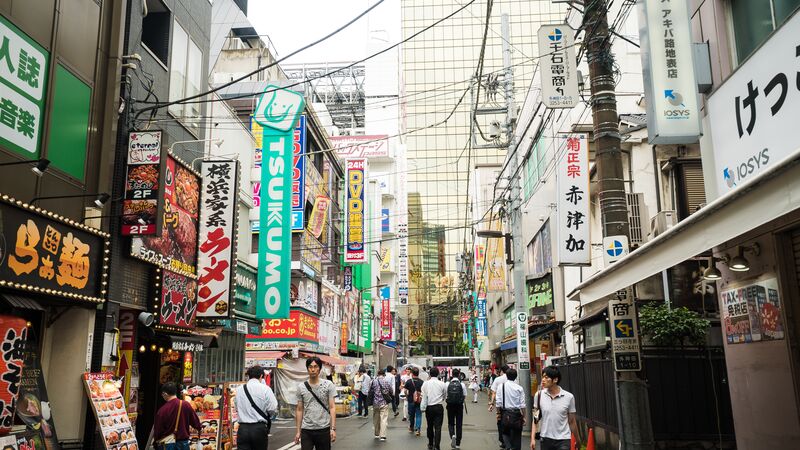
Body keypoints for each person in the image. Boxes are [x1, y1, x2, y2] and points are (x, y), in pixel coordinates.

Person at [531, 366, 580, 450]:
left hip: (563, 439)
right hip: (545, 438)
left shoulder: (569, 397)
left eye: (546, 377)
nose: (543, 380)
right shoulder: (538, 395)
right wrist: (532, 439)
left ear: (555, 380)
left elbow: (572, 421)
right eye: (543, 377)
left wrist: (578, 440)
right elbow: (535, 419)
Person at [294, 357, 337, 450]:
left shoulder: (328, 385)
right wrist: (298, 431)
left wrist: (333, 429)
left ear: (320, 368)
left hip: (323, 429)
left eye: (315, 366)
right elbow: (299, 409)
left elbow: (332, 407)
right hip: (306, 430)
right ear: (307, 369)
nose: (313, 369)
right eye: (310, 367)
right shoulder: (301, 387)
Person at [235, 365, 278, 450]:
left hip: (242, 429)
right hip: (258, 429)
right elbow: (273, 408)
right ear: (261, 376)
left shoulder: (239, 389)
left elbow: (237, 408)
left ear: (249, 376)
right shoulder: (265, 389)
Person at [153, 382, 201, 450]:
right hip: (183, 444)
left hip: (167, 445)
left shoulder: (162, 410)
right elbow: (196, 422)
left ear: (165, 394)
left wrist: (156, 443)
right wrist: (199, 428)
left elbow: (158, 431)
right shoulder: (185, 405)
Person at [496, 369, 526, 450]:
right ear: (516, 377)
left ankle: (508, 447)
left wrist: (498, 413)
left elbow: (498, 402)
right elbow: (522, 405)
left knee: (505, 432)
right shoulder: (519, 388)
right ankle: (514, 448)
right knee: (517, 435)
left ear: (506, 376)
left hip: (505, 413)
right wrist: (524, 416)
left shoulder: (501, 386)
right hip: (516, 414)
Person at [421, 367, 448, 450]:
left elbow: (423, 395)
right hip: (439, 406)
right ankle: (437, 445)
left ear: (429, 374)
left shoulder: (425, 383)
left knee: (429, 426)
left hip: (429, 407)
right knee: (438, 427)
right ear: (438, 374)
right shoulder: (442, 383)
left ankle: (430, 443)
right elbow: (445, 395)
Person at [445, 368, 467, 449]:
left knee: (451, 422)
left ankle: (452, 435)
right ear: (459, 375)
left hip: (450, 405)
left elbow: (446, 395)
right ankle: (458, 443)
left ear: (452, 375)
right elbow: (464, 395)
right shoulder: (462, 384)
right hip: (459, 406)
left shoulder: (447, 384)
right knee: (459, 424)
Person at [370, 368, 394, 441]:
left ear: (378, 374)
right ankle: (383, 436)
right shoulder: (386, 382)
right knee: (383, 419)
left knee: (376, 418)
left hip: (375, 403)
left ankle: (376, 434)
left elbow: (370, 390)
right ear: (384, 374)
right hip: (384, 402)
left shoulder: (373, 381)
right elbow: (391, 391)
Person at [489, 365, 510, 449]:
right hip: (511, 406)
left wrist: (491, 403)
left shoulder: (498, 379)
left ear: (501, 371)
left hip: (500, 406)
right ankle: (509, 440)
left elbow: (493, 392)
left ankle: (503, 441)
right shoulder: (513, 379)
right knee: (510, 423)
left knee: (500, 423)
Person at [404, 367, 424, 436]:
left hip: (410, 400)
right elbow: (423, 392)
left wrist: (407, 396)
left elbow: (405, 391)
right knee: (418, 415)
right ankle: (418, 429)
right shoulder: (421, 382)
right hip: (419, 401)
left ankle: (411, 427)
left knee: (411, 415)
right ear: (418, 373)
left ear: (412, 373)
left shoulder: (409, 381)